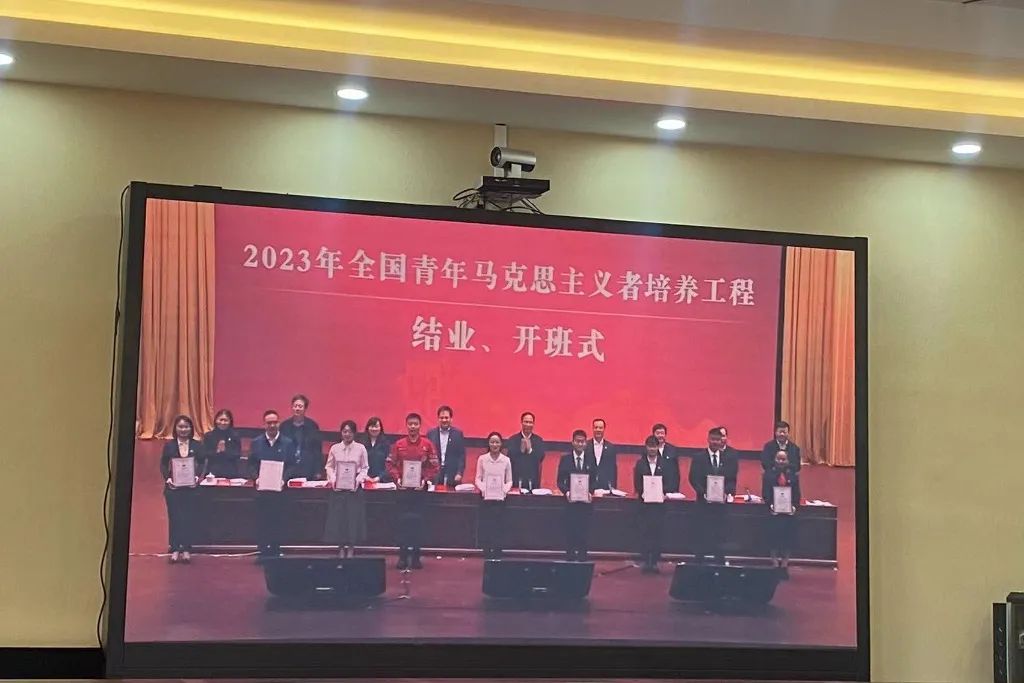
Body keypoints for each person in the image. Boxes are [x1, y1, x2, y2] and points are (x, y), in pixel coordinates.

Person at [385, 412, 439, 570]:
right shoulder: (399, 444)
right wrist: (397, 479)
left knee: (419, 524)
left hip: (420, 491)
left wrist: (425, 480)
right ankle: (402, 556)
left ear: (420, 426)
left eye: (416, 424)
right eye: (410, 424)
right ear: (406, 425)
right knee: (402, 523)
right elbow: (390, 464)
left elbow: (434, 466)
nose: (413, 427)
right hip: (403, 491)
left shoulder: (427, 444)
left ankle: (416, 556)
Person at [249, 410, 298, 558]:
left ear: (279, 423)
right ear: (264, 425)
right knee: (262, 521)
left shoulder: (288, 443)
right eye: (269, 423)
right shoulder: (256, 442)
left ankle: (276, 550)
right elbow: (251, 464)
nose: (272, 425)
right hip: (262, 490)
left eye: (275, 422)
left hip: (279, 490)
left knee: (278, 520)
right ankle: (263, 551)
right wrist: (256, 478)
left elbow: (292, 465)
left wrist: (284, 479)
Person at [687, 427, 738, 564]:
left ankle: (719, 560)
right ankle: (699, 561)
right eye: (712, 439)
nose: (715, 442)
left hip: (721, 505)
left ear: (721, 441)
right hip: (703, 504)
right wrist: (702, 492)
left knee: (720, 533)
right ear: (708, 440)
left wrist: (727, 492)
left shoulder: (728, 458)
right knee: (702, 532)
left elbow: (732, 479)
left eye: (717, 439)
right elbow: (693, 478)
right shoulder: (699, 457)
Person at [159, 415, 206, 564]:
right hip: (173, 488)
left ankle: (186, 549)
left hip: (191, 489)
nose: (183, 429)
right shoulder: (169, 445)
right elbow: (163, 464)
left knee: (188, 518)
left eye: (186, 427)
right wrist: (168, 479)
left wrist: (198, 478)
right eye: (180, 426)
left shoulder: (197, 445)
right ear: (175, 428)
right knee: (175, 518)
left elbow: (203, 462)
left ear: (191, 428)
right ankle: (174, 549)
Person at [324, 420, 369, 558]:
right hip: (338, 489)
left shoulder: (361, 448)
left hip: (353, 489)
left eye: (350, 432)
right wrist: (333, 480)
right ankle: (341, 547)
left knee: (352, 519)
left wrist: (358, 480)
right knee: (339, 519)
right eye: (344, 431)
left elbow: (365, 468)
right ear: (341, 433)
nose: (347, 434)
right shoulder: (335, 448)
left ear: (354, 433)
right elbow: (329, 466)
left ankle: (351, 547)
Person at [556, 430, 596, 561]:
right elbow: (560, 481)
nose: (580, 444)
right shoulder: (565, 459)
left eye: (582, 442)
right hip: (570, 503)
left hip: (586, 504)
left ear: (585, 444)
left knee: (584, 530)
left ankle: (583, 557)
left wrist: (590, 492)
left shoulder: (591, 459)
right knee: (570, 530)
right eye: (577, 441)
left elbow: (595, 480)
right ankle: (570, 556)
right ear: (572, 442)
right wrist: (567, 492)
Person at [762, 449, 802, 578]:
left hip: (789, 514)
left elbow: (797, 494)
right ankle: (774, 564)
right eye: (778, 459)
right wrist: (770, 505)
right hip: (773, 513)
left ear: (788, 461)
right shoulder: (768, 474)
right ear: (774, 460)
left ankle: (784, 565)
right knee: (773, 538)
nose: (781, 461)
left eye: (783, 459)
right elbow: (765, 493)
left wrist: (794, 506)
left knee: (787, 539)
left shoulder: (793, 475)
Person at [474, 431, 513, 559]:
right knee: (487, 525)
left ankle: (497, 551)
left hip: (500, 500)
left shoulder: (506, 460)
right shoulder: (482, 459)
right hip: (486, 499)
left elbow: (509, 480)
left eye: (497, 442)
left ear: (501, 444)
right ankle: (487, 551)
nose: (494, 445)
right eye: (492, 442)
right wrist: (483, 489)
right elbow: (478, 478)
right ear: (488, 444)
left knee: (499, 526)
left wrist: (504, 490)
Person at [633, 435, 668, 573]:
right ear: (646, 447)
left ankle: (654, 561)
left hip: (659, 506)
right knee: (645, 532)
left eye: (654, 446)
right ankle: (646, 561)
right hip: (644, 505)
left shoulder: (664, 464)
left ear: (658, 447)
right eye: (650, 446)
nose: (652, 449)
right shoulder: (640, 464)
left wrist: (664, 493)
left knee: (657, 533)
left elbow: (670, 481)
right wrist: (641, 492)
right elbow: (637, 482)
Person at [279, 394, 323, 480]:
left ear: (305, 409)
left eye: (300, 406)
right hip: (288, 469)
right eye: (295, 406)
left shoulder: (312, 426)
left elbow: (317, 450)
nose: (297, 409)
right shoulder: (284, 426)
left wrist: (318, 471)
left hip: (307, 468)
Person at [427, 405, 466, 487]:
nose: (444, 420)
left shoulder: (458, 434)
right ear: (438, 419)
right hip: (435, 473)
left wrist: (459, 473)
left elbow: (462, 455)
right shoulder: (431, 434)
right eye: (441, 418)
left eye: (446, 418)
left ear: (451, 419)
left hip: (452, 474)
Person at [506, 411, 545, 492]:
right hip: (516, 478)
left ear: (533, 424)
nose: (528, 424)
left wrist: (530, 450)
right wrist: (521, 451)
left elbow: (541, 457)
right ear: (521, 422)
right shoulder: (513, 439)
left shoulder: (538, 440)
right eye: (526, 422)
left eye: (530, 422)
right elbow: (510, 457)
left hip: (533, 480)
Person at [202, 409, 241, 478]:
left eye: (225, 420)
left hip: (230, 472)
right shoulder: (209, 436)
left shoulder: (235, 436)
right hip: (212, 471)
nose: (222, 423)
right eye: (220, 420)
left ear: (230, 422)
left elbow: (237, 454)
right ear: (216, 420)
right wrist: (217, 451)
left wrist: (225, 450)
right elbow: (205, 453)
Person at [585, 418, 618, 490]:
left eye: (600, 428)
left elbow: (613, 469)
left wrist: (613, 487)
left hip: (605, 487)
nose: (598, 430)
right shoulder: (586, 446)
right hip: (588, 486)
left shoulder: (610, 447)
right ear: (592, 429)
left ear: (604, 429)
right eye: (596, 427)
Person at [360, 416, 392, 483]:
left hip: (382, 480)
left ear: (380, 428)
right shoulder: (361, 443)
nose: (374, 429)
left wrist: (379, 478)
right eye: (372, 426)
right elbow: (359, 463)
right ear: (368, 428)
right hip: (364, 479)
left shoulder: (386, 443)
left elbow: (389, 465)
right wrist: (365, 476)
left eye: (376, 426)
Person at [652, 423, 680, 493]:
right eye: (658, 433)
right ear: (653, 434)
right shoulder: (649, 449)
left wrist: (676, 489)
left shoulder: (672, 449)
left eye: (662, 433)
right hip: (653, 486)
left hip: (669, 488)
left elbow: (676, 472)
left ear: (665, 435)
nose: (660, 435)